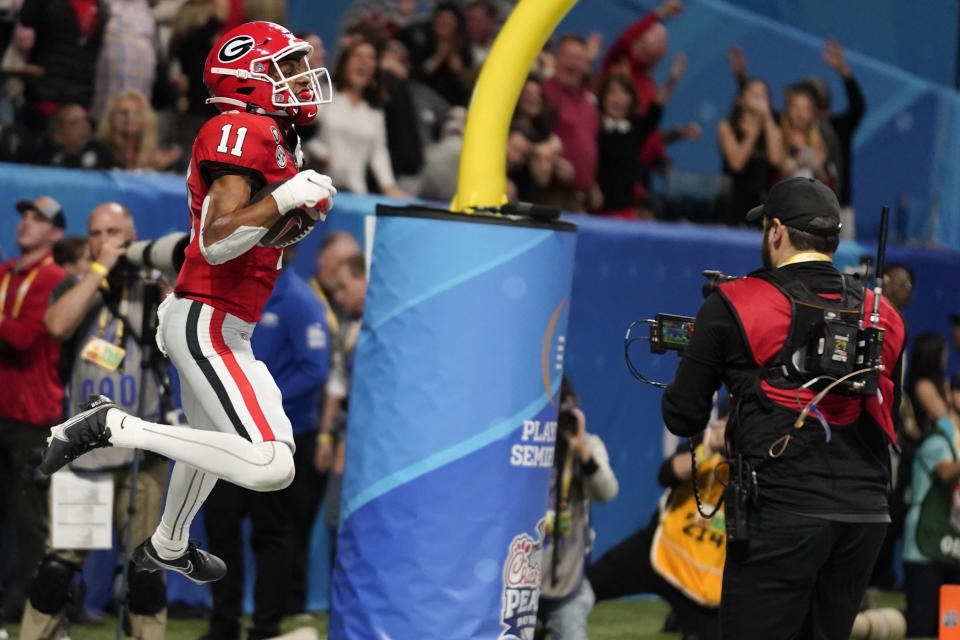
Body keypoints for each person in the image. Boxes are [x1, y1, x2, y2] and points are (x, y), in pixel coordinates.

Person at [38, 21, 338, 585]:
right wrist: (288, 198)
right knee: (274, 465)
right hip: (210, 320)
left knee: (214, 447)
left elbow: (245, 239)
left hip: (214, 317)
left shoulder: (268, 135)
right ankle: (116, 426)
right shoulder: (240, 128)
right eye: (287, 67)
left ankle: (170, 544)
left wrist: (289, 212)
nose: (301, 77)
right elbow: (218, 240)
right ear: (249, 80)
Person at [660, 177, 906, 639]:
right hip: (865, 516)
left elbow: (683, 415)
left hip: (782, 511)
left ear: (775, 232)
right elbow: (888, 406)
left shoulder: (734, 301)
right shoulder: (883, 314)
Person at [21, 202, 171, 640]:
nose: (102, 240)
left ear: (131, 235)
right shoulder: (75, 286)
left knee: (146, 568)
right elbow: (56, 325)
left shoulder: (153, 291)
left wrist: (167, 292)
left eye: (112, 232)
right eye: (95, 233)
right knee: (58, 565)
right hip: (83, 450)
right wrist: (99, 270)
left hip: (144, 450)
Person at [202, 245, 330, 639]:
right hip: (229, 435)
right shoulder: (234, 291)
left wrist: (257, 399)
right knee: (221, 531)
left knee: (270, 534)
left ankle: (265, 627)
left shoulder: (299, 301)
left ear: (289, 250)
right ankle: (223, 625)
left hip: (277, 437)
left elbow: (315, 369)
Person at [589, 402, 729, 640]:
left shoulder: (755, 464)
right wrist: (709, 448)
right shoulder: (704, 446)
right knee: (588, 586)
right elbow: (667, 474)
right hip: (662, 550)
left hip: (705, 577)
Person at [0, 196, 67, 621]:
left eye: (37, 219)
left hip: (32, 416)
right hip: (3, 408)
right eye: (23, 216)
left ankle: (32, 611)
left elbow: (25, 336)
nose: (26, 223)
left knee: (28, 522)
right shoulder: (6, 273)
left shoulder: (55, 279)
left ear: (55, 234)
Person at [536, 377, 618, 640]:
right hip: (521, 576)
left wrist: (581, 450)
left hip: (567, 581)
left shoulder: (588, 446)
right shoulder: (528, 444)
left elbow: (606, 493)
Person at [900, 333, 959, 637]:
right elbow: (948, 472)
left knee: (950, 626)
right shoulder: (936, 442)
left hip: (949, 540)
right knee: (922, 625)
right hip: (924, 539)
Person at [315, 252, 366, 566]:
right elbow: (337, 383)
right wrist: (326, 437)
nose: (337, 294)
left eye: (344, 286)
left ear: (364, 281)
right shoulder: (346, 328)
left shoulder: (393, 325)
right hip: (346, 439)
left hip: (376, 443)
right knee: (336, 518)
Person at [313, 39, 407, 197]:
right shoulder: (324, 94)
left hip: (355, 194)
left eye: (370, 58)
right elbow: (304, 133)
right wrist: (317, 152)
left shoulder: (374, 111)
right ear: (344, 63)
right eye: (357, 56)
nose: (363, 62)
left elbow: (378, 152)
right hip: (317, 190)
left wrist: (389, 185)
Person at [541, 34, 600, 210]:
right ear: (556, 60)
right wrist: (554, 160)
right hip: (552, 196)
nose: (573, 64)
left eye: (579, 59)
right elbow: (531, 133)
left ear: (586, 66)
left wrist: (591, 183)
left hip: (580, 199)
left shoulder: (589, 100)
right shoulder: (544, 93)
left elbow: (587, 145)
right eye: (567, 57)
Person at [717, 78, 784, 227]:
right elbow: (736, 164)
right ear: (741, 98)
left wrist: (766, 118)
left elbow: (776, 160)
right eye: (754, 93)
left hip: (763, 204)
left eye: (763, 94)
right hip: (734, 202)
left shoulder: (774, 127)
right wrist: (753, 130)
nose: (759, 98)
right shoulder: (727, 127)